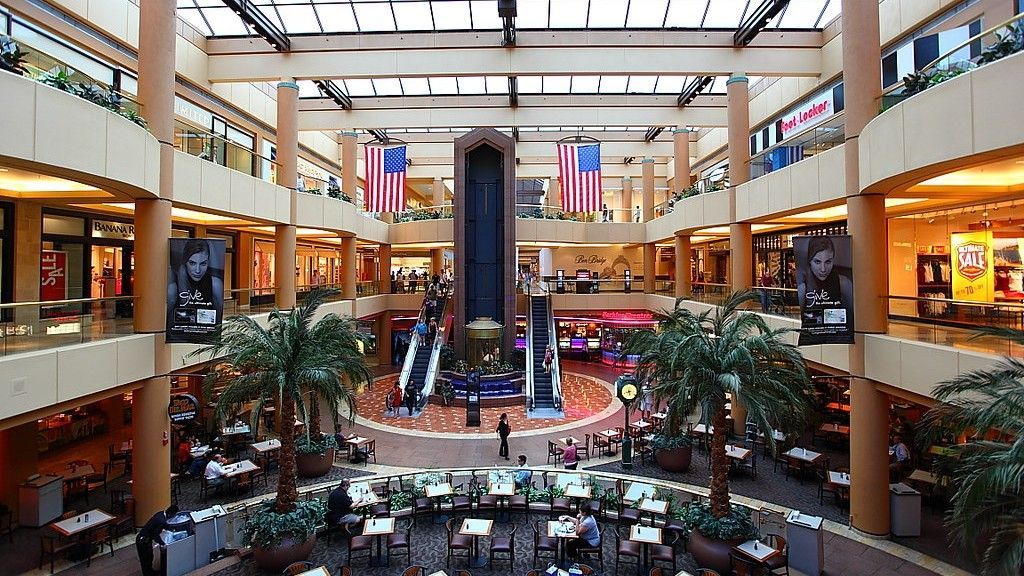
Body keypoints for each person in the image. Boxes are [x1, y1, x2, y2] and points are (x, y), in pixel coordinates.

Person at [167, 238, 224, 329]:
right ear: (185, 262)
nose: (197, 270)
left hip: (207, 333)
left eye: (203, 264)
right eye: (192, 263)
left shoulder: (215, 284)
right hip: (179, 334)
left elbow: (218, 319)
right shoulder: (173, 288)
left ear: (208, 262)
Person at [797, 236, 854, 314]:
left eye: (828, 262)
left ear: (833, 260)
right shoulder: (802, 288)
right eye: (817, 262)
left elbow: (856, 312)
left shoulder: (844, 283)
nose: (823, 269)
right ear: (810, 261)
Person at [136, 505, 178, 576]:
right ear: (170, 514)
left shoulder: (160, 514)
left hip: (143, 538)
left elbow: (162, 525)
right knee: (146, 559)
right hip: (143, 541)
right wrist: (163, 543)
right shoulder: (161, 521)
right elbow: (155, 535)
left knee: (149, 557)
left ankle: (150, 572)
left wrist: (170, 528)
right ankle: (148, 574)